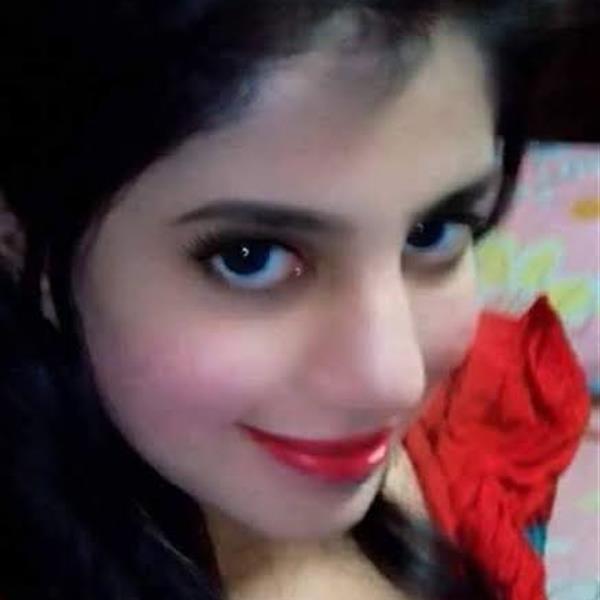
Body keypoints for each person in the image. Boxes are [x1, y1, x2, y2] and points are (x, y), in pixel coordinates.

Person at [0, 2, 590, 599]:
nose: (395, 382)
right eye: (250, 257)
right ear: (22, 247)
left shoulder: (477, 418)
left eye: (432, 232)